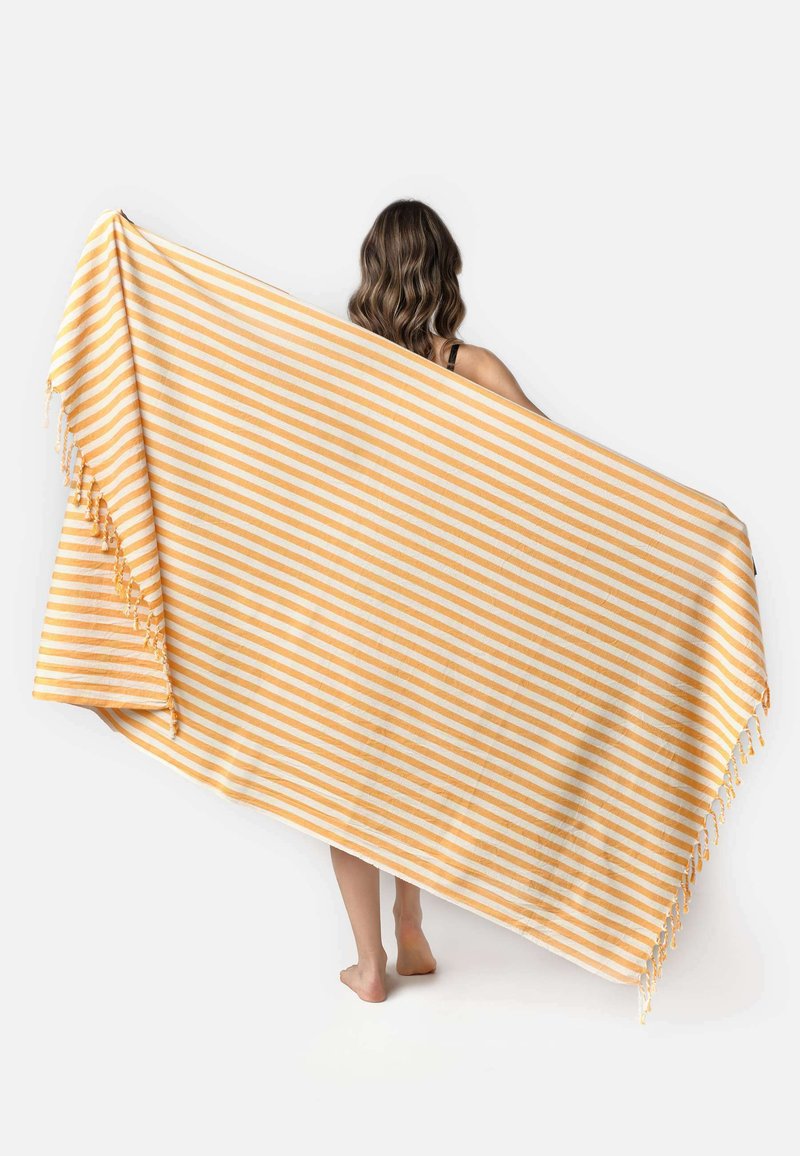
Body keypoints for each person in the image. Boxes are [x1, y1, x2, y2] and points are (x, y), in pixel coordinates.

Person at [333, 198, 549, 1003]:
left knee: (346, 778)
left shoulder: (342, 367)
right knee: (415, 765)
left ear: (374, 274)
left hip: (358, 603)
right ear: (443, 272)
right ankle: (412, 926)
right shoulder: (472, 368)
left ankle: (372, 964)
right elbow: (567, 469)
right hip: (441, 611)